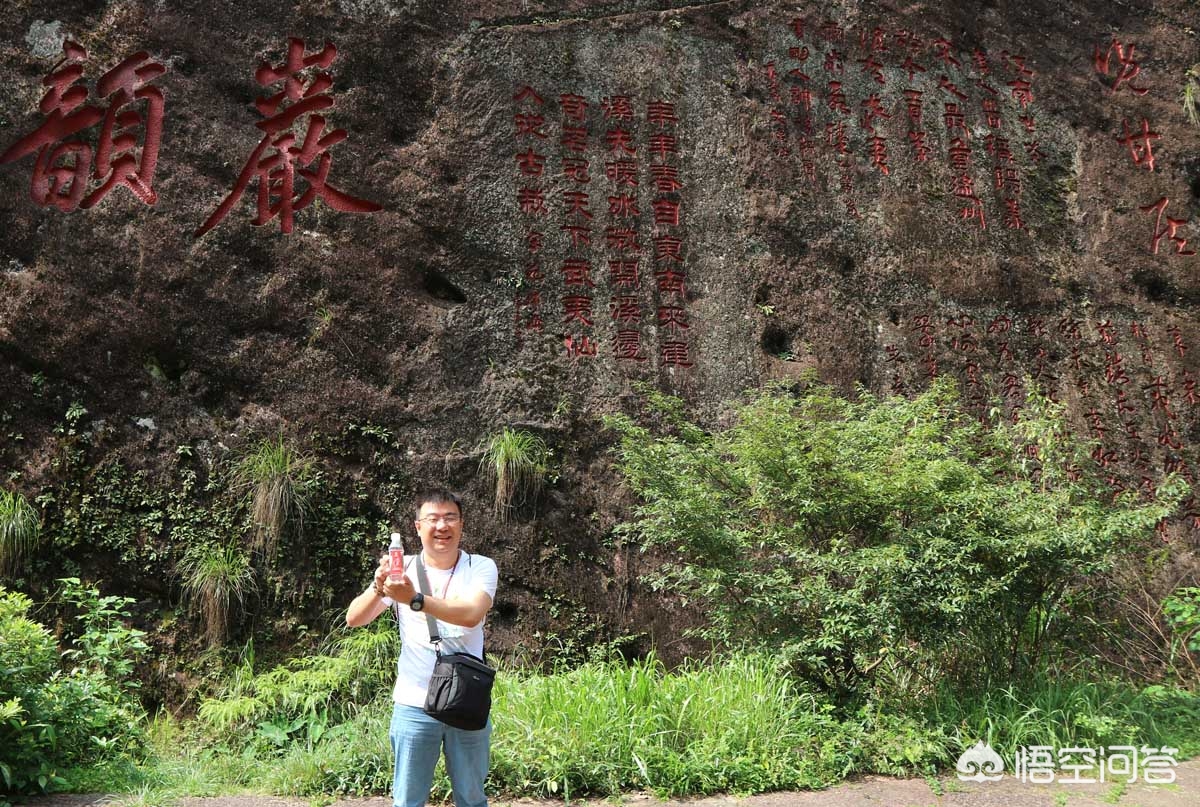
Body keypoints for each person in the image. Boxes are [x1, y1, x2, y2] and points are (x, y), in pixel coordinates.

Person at [346, 488, 498, 807]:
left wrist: (415, 600)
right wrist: (379, 585)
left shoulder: (481, 567)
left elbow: (472, 614)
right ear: (418, 527)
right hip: (413, 703)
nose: (442, 526)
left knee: (472, 797)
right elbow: (355, 618)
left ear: (461, 524)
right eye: (433, 518)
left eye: (450, 518)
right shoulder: (403, 572)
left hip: (466, 700)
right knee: (407, 800)